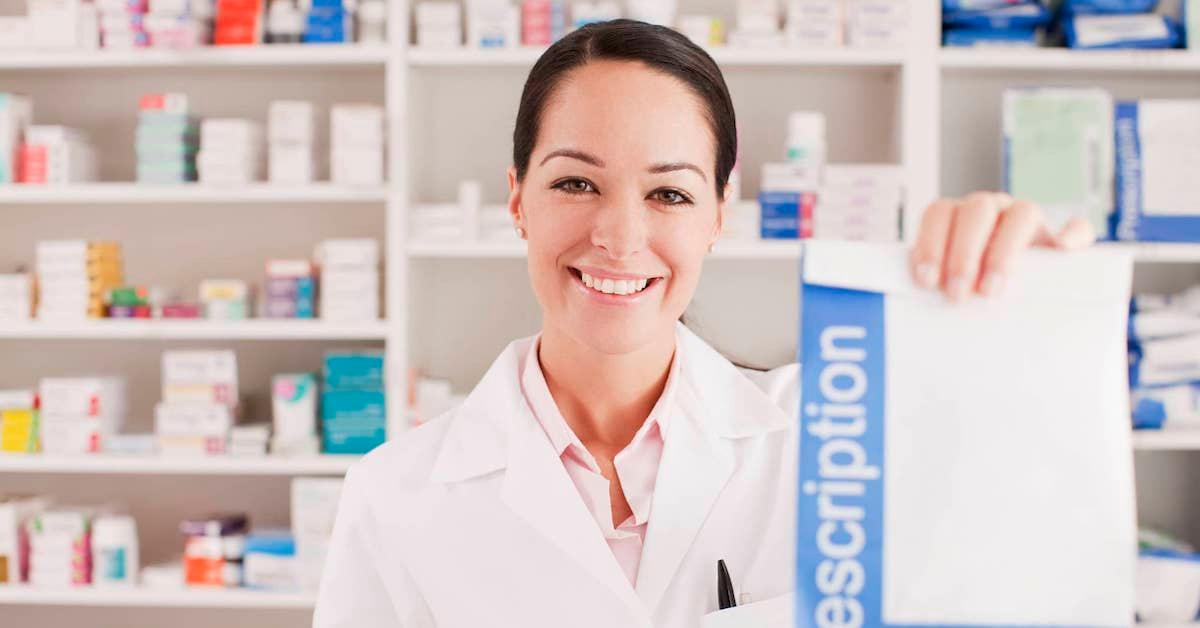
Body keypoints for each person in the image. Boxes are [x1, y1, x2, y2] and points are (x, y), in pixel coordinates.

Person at [312, 19, 1092, 628]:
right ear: (518, 198)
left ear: (721, 212)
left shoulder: (833, 438)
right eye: (577, 182)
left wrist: (1024, 321)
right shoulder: (395, 497)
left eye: (670, 194)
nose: (619, 238)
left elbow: (1022, 542)